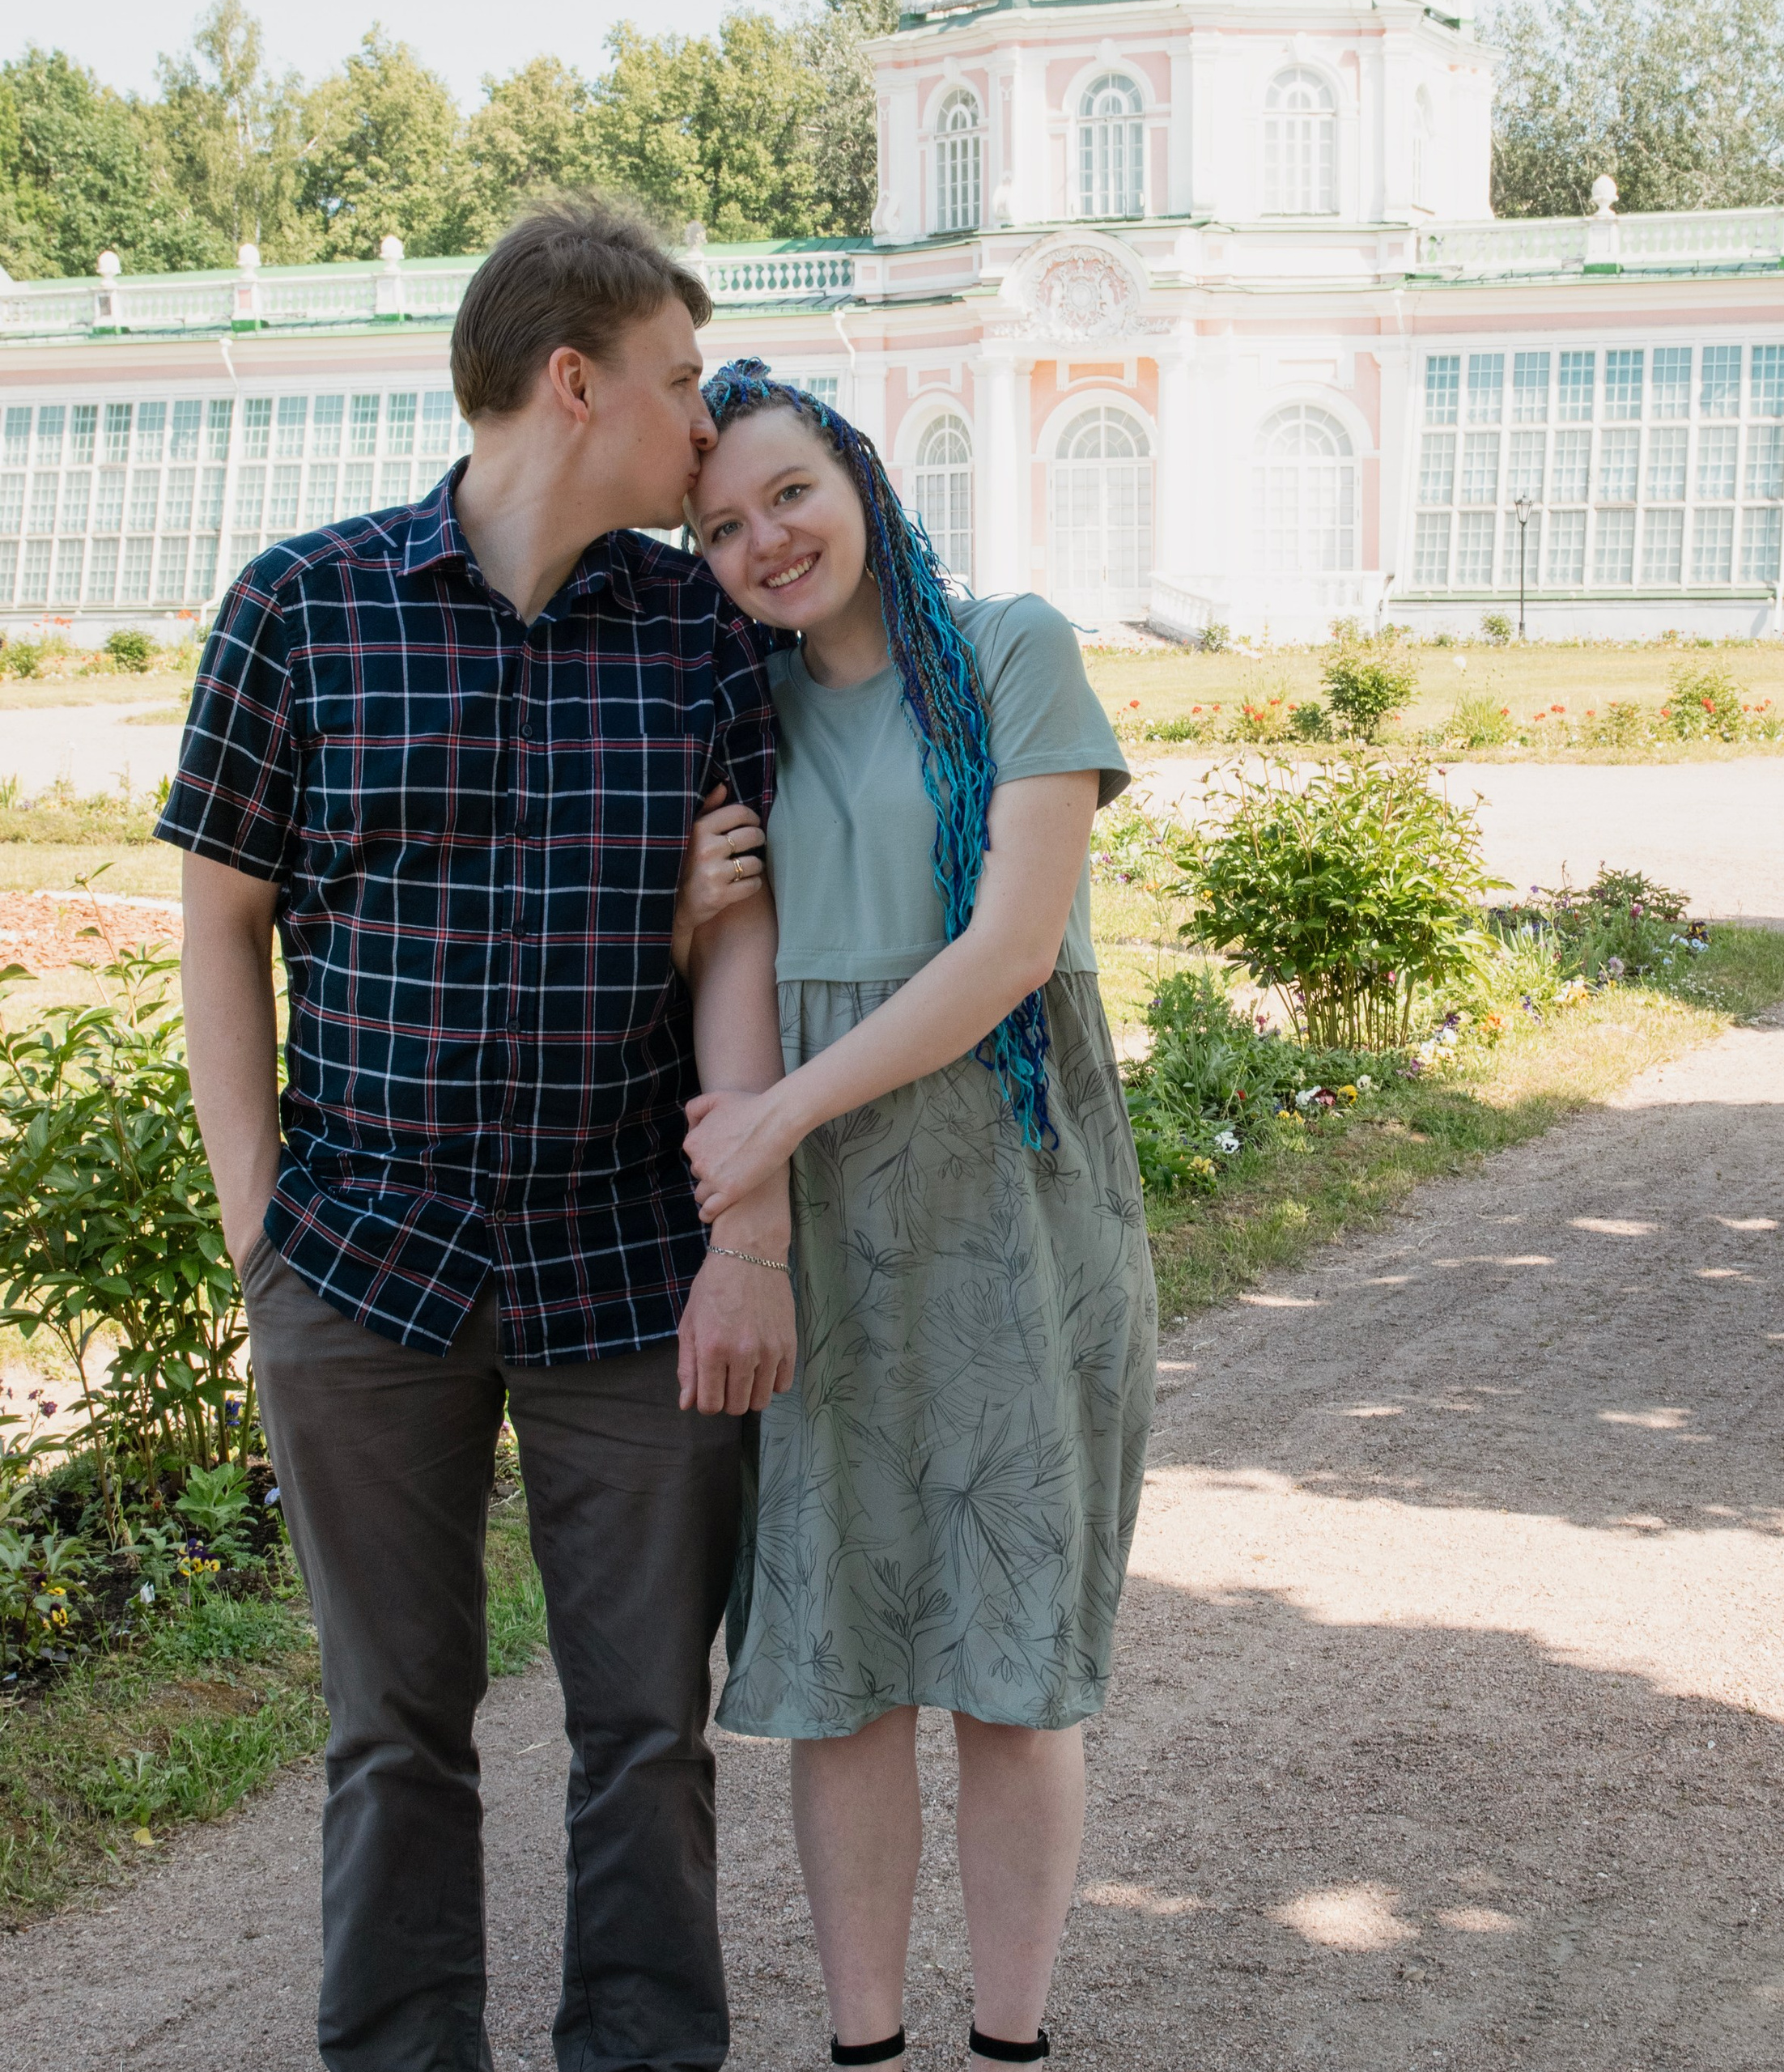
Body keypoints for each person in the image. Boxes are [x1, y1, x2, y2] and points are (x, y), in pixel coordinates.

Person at [163, 204, 794, 2072]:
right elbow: (218, 914)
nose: (707, 426)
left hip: (622, 1259)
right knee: (392, 1724)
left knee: (644, 1726)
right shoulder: (303, 602)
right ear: (573, 381)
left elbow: (741, 920)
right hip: (360, 1259)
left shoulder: (694, 627)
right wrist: (253, 1221)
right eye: (680, 384)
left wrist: (742, 1229)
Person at [673, 361, 1158, 2071]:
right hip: (812, 1215)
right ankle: (863, 2044)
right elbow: (726, 963)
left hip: (1007, 1177)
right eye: (721, 525)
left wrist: (777, 1119)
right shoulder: (733, 709)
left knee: (1012, 1645)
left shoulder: (1011, 648)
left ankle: (1008, 2041)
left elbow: (1011, 947)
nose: (763, 540)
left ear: (857, 475)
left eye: (787, 492)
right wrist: (687, 928)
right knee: (837, 1638)